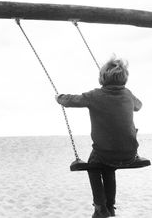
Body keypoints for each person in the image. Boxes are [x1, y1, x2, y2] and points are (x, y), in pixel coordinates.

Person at [55, 56, 142, 218]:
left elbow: (71, 100)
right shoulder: (128, 94)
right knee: (109, 168)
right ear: (124, 78)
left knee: (93, 166)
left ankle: (100, 207)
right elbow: (139, 106)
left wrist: (59, 98)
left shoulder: (95, 95)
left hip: (104, 152)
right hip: (129, 152)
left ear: (102, 78)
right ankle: (110, 206)